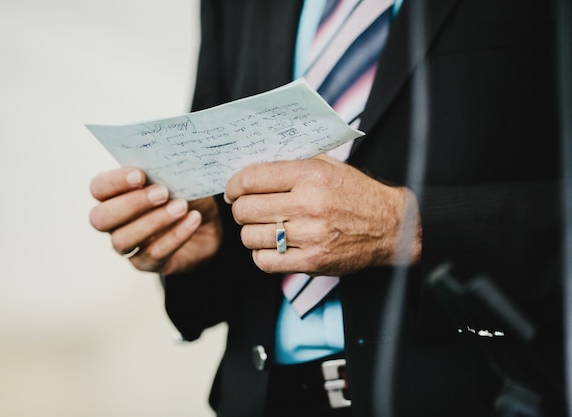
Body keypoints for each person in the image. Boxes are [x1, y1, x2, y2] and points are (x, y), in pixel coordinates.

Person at [88, 0, 567, 416]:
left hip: (479, 397)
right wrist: (207, 237)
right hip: (266, 399)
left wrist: (408, 227)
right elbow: (222, 162)